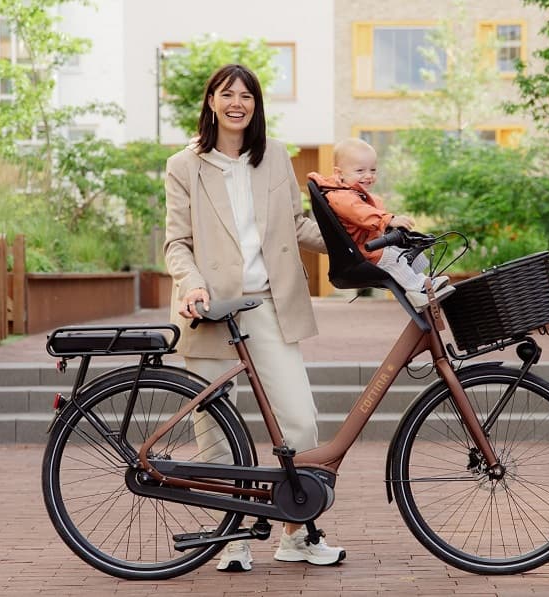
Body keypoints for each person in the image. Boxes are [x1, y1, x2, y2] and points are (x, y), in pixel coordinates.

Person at [164, 63, 346, 572]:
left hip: (266, 304)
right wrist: (192, 283)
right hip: (209, 310)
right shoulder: (185, 165)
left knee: (301, 423)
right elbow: (176, 242)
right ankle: (232, 540)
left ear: (255, 104)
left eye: (246, 94)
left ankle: (295, 535)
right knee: (215, 435)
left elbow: (296, 225)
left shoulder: (273, 159)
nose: (237, 102)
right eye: (228, 94)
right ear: (212, 102)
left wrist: (354, 243)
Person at [308, 138, 455, 310]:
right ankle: (421, 289)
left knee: (407, 252)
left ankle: (423, 282)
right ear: (339, 173)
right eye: (360, 170)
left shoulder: (349, 193)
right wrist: (388, 219)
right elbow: (360, 213)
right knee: (393, 258)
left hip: (370, 245)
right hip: (362, 251)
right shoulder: (341, 197)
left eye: (373, 170)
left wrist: (391, 226)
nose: (368, 175)